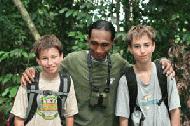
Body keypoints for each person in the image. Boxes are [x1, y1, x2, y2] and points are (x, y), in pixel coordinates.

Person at [21, 20, 174, 126]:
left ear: (112, 43)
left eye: (105, 45)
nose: (99, 49)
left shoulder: (119, 63)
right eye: (94, 43)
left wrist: (163, 62)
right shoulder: (74, 60)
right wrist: (32, 70)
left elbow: (142, 67)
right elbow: (50, 67)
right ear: (88, 40)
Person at [115, 25, 180, 126]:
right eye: (137, 46)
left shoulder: (165, 72)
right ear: (130, 49)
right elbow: (123, 118)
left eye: (146, 45)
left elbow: (175, 110)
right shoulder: (126, 80)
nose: (142, 51)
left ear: (153, 46)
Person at [10, 35, 78, 126]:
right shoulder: (29, 80)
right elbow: (19, 118)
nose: (50, 63)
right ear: (38, 60)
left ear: (61, 56)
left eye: (54, 57)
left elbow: (69, 115)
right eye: (44, 58)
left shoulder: (66, 82)